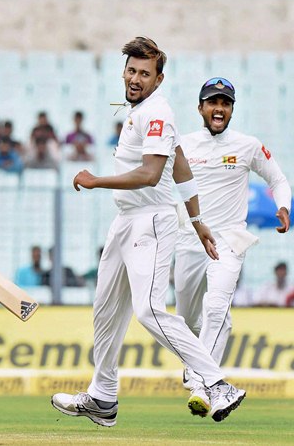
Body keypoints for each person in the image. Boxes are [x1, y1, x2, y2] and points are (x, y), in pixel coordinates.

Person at [51, 37, 245, 427]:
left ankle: (216, 383)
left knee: (150, 310)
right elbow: (181, 167)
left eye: (145, 73)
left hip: (150, 221)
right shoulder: (139, 111)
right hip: (126, 220)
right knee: (106, 310)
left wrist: (95, 180)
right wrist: (197, 221)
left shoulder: (157, 112)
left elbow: (152, 174)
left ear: (159, 79)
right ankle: (103, 396)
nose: (136, 79)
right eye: (131, 70)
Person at [174, 77, 291, 411]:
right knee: (186, 320)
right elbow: (154, 178)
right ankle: (199, 365)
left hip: (229, 241)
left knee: (216, 307)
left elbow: (278, 179)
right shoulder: (183, 145)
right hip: (189, 240)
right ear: (200, 108)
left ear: (231, 109)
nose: (219, 108)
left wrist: (283, 206)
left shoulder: (247, 145)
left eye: (225, 103)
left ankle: (202, 384)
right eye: (213, 102)